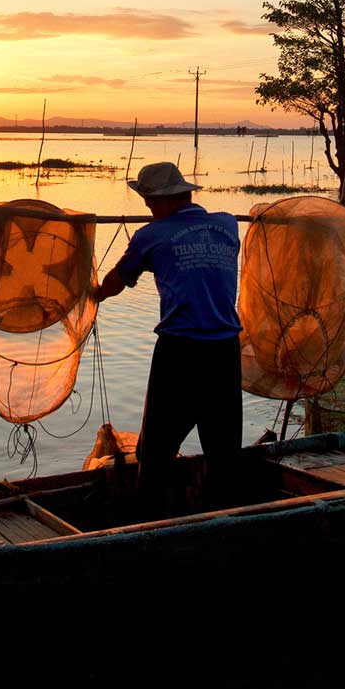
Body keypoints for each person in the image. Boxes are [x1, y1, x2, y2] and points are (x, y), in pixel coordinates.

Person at [94, 161, 243, 513]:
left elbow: (115, 282)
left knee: (155, 450)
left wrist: (94, 295)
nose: (147, 209)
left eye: (148, 203)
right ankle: (227, 517)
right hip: (225, 350)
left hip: (180, 352)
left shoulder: (151, 235)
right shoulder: (227, 224)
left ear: (160, 201)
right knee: (224, 450)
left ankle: (148, 523)